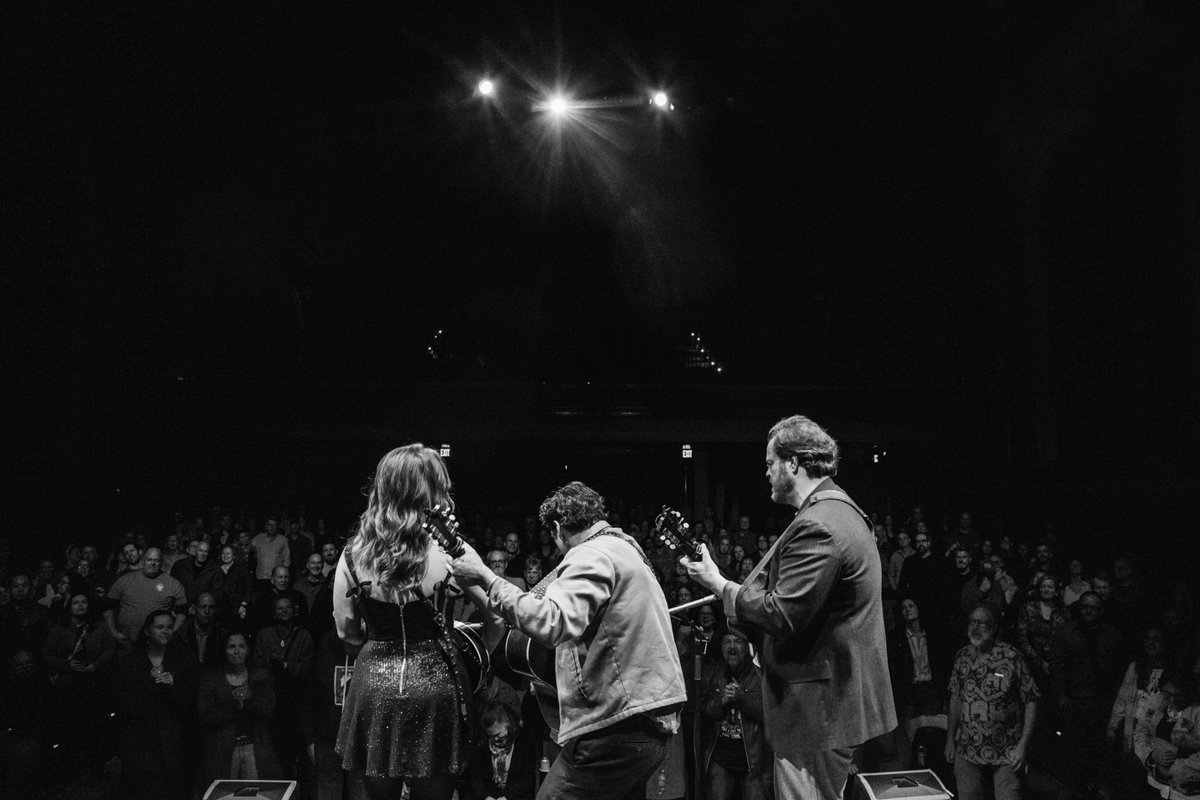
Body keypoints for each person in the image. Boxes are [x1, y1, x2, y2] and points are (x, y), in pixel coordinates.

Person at [683, 414, 895, 799]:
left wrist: (717, 584)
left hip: (816, 712)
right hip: (832, 706)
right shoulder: (840, 511)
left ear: (793, 463)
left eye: (769, 463)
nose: (765, 473)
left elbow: (782, 614)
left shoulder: (819, 525)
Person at [450, 480, 687, 800]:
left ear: (558, 528)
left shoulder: (591, 554)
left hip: (617, 729)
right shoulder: (627, 547)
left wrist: (486, 578)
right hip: (651, 726)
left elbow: (552, 621)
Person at [334, 444, 488, 800]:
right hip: (437, 683)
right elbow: (494, 615)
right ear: (432, 490)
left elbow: (347, 634)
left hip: (375, 685)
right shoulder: (452, 552)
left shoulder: (352, 556)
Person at [945, 603, 1039, 800]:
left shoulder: (1013, 658)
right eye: (972, 622)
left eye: (982, 623)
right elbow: (956, 697)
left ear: (995, 627)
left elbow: (1031, 700)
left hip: (1006, 749)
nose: (975, 628)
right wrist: (950, 739)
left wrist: (1023, 745)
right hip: (968, 746)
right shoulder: (962, 657)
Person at [112, 610, 195, 800]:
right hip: (140, 744)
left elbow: (190, 702)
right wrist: (150, 684)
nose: (165, 631)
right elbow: (124, 704)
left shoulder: (184, 660)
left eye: (169, 627)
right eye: (160, 627)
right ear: (147, 631)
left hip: (174, 743)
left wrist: (173, 685)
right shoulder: (130, 663)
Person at [197, 630, 282, 787]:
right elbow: (205, 715)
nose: (237, 651)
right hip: (222, 748)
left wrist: (250, 701)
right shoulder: (211, 678)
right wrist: (235, 706)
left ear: (248, 649)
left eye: (241, 646)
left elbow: (269, 712)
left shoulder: (260, 676)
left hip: (255, 747)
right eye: (231, 646)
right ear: (224, 650)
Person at [699, 626, 770, 800]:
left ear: (746, 646)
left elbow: (768, 713)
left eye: (737, 641)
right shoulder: (712, 672)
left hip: (754, 760)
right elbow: (703, 711)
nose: (732, 647)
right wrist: (721, 701)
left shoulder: (759, 673)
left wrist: (742, 699)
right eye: (727, 642)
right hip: (720, 758)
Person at [462, 701, 539, 800]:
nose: (495, 739)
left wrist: (507, 798)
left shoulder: (524, 741)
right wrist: (486, 797)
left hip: (515, 796)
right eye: (491, 736)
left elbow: (527, 779)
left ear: (508, 724)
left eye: (498, 734)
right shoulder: (483, 744)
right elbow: (476, 779)